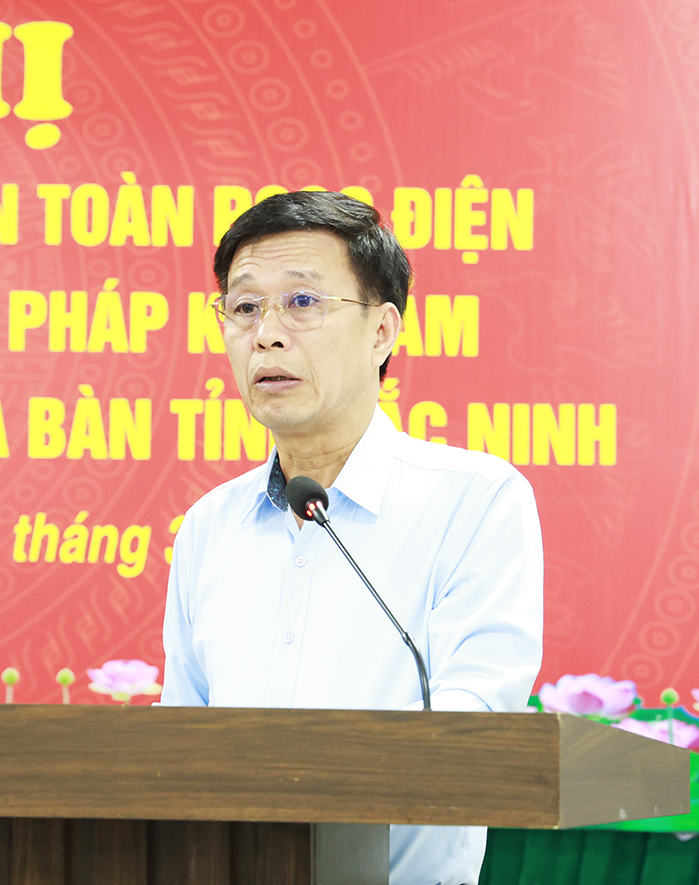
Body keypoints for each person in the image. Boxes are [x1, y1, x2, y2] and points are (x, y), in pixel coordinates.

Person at [159, 191, 543, 885]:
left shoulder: (474, 500)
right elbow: (176, 744)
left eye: (303, 302)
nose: (266, 334)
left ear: (381, 332)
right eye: (244, 307)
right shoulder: (210, 527)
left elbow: (476, 715)